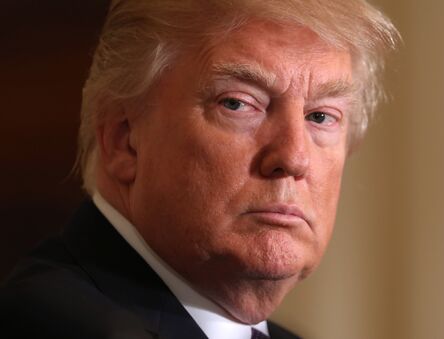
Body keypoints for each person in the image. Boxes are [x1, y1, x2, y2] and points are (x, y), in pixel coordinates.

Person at [0, 0, 398, 338]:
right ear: (124, 140)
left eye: (321, 116)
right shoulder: (53, 323)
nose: (294, 158)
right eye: (238, 103)